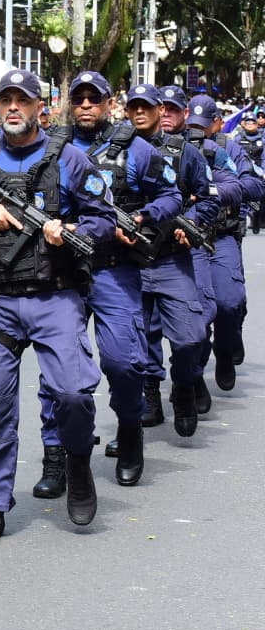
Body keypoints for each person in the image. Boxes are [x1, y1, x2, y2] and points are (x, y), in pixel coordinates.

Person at [0, 68, 115, 543]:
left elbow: (104, 221)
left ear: (41, 107)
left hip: (55, 295)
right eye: (6, 100)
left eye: (22, 100)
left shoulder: (71, 159)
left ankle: (77, 463)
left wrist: (71, 231)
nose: (13, 107)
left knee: (73, 394)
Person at [29, 71, 181, 497]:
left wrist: (142, 219)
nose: (85, 106)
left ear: (109, 103)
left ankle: (130, 429)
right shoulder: (49, 147)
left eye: (93, 99)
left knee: (124, 363)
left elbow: (170, 196)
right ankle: (56, 453)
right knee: (57, 374)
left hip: (114, 269)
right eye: (78, 99)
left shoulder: (135, 148)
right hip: (61, 272)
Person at [123, 84, 219, 437]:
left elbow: (209, 198)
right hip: (129, 260)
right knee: (136, 340)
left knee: (191, 337)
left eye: (146, 106)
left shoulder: (185, 153)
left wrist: (191, 222)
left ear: (159, 110)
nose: (140, 112)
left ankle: (183, 387)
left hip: (171, 258)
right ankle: (150, 394)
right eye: (133, 106)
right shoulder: (115, 152)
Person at [171, 94, 258, 395]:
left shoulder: (227, 149)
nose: (197, 129)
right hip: (187, 239)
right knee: (198, 311)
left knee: (230, 302)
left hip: (221, 235)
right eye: (193, 123)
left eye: (203, 124)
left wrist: (211, 191)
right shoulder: (175, 146)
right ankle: (194, 374)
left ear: (218, 123)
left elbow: (254, 185)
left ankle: (224, 350)